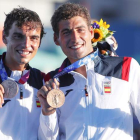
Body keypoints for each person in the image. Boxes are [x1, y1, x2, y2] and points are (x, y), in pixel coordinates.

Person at [37, 3, 140, 140]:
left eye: (80, 30)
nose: (75, 38)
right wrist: (48, 112)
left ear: (91, 32)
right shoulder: (52, 81)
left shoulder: (126, 67)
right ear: (56, 39)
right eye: (66, 32)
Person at [0, 7, 46, 140]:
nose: (26, 44)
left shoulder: (43, 81)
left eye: (33, 38)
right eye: (18, 36)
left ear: (39, 43)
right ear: (5, 37)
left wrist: (49, 113)